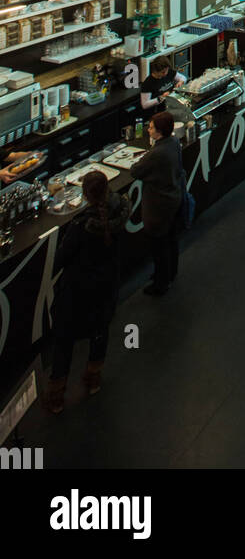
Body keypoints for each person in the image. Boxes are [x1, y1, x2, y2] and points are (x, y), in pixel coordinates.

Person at [43, 170, 129, 413]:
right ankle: (93, 380)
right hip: (106, 287)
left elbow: (60, 259)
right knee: (100, 332)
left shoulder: (81, 226)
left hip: (77, 294)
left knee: (64, 343)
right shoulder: (119, 210)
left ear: (86, 195)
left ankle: (56, 397)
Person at [134, 110, 184, 296]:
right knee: (171, 240)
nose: (148, 129)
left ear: (160, 131)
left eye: (151, 127)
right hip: (173, 199)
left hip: (159, 206)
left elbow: (135, 171)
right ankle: (171, 273)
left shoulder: (157, 152)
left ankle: (161, 283)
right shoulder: (174, 142)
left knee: (159, 246)